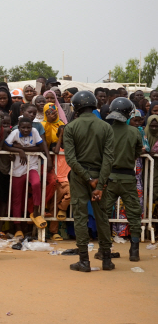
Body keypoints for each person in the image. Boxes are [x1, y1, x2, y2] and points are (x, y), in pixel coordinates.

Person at [63, 91, 114, 272]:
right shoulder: (106, 127)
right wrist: (99, 184)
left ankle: (84, 260)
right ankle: (106, 259)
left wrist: (88, 179)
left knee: (80, 216)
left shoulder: (70, 128)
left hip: (79, 176)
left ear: (76, 107)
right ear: (93, 105)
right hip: (101, 176)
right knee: (102, 216)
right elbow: (109, 158)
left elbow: (70, 159)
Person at [103, 98, 143, 262]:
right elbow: (137, 152)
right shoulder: (134, 131)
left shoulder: (106, 130)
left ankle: (104, 249)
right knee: (134, 214)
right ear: (129, 113)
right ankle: (134, 250)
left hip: (110, 177)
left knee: (103, 213)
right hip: (128, 178)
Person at [5, 117, 47, 237]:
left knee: (36, 184)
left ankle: (36, 211)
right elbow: (6, 146)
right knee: (17, 198)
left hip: (32, 166)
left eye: (28, 127)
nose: (26, 129)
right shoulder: (14, 133)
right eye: (23, 127)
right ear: (19, 127)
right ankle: (18, 227)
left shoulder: (34, 131)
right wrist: (19, 152)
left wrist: (21, 148)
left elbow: (40, 147)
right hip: (17, 168)